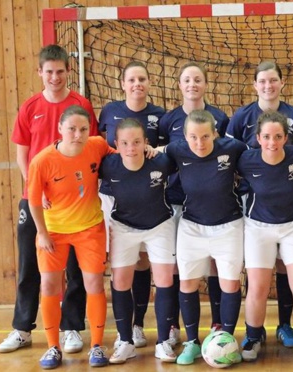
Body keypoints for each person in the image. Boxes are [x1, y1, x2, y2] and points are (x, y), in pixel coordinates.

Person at [2, 44, 94, 355]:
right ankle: (22, 328)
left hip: (75, 206)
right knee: (30, 263)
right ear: (40, 73)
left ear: (69, 72)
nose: (55, 77)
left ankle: (71, 328)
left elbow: (89, 147)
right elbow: (22, 157)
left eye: (60, 71)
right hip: (38, 203)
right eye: (49, 71)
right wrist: (37, 194)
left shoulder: (81, 105)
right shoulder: (29, 108)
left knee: (75, 269)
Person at [226, 60, 293, 347]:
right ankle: (255, 329)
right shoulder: (242, 116)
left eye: (273, 80)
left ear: (282, 83)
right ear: (255, 85)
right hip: (254, 202)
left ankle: (285, 325)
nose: (268, 86)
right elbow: (228, 153)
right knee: (257, 270)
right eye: (262, 81)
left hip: (288, 202)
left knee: (287, 267)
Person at [27, 105, 114, 369]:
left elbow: (121, 154)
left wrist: (147, 150)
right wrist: (42, 233)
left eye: (83, 129)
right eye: (72, 129)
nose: (78, 134)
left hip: (90, 229)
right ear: (60, 129)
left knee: (94, 285)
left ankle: (97, 346)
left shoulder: (97, 145)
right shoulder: (42, 161)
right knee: (50, 286)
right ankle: (53, 347)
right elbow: (33, 201)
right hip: (54, 231)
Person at [165, 110, 247, 365]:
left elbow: (259, 155)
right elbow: (155, 153)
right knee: (187, 283)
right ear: (184, 136)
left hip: (229, 226)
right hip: (192, 227)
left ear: (215, 134)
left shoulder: (233, 148)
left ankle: (226, 341)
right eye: (193, 137)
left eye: (205, 137)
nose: (199, 143)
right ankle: (192, 342)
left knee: (230, 285)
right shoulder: (176, 150)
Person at [237, 111, 293, 362]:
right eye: (267, 137)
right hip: (258, 227)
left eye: (278, 136)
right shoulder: (246, 159)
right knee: (258, 287)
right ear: (258, 138)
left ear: (286, 138)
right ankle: (252, 337)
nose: (272, 142)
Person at [158, 61, 230, 334]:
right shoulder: (169, 119)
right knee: (179, 265)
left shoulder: (219, 118)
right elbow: (162, 155)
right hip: (176, 199)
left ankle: (217, 322)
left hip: (211, 205)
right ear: (180, 85)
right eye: (187, 80)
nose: (192, 85)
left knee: (214, 264)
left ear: (205, 84)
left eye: (197, 79)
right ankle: (175, 325)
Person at [98, 60, 166, 349]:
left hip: (154, 205)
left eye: (142, 78)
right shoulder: (110, 113)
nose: (137, 84)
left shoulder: (159, 116)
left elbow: (170, 152)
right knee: (123, 269)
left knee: (150, 267)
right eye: (132, 79)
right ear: (123, 83)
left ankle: (151, 328)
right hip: (117, 203)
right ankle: (125, 336)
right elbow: (95, 151)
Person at [100, 118, 177, 364]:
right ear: (116, 144)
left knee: (165, 279)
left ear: (146, 142)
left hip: (160, 225)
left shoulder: (161, 162)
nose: (131, 147)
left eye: (136, 142)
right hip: (123, 226)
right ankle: (125, 341)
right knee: (120, 280)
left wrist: (161, 149)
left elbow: (181, 152)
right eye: (125, 143)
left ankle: (164, 341)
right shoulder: (109, 165)